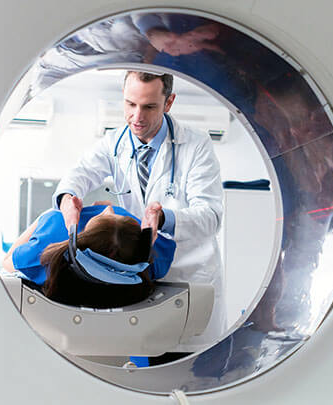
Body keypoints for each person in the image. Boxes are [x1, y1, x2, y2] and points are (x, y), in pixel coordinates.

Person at [53, 71, 225, 352]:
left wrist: (164, 218)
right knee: (140, 366)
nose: (137, 117)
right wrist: (67, 196)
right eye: (130, 104)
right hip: (139, 278)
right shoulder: (114, 143)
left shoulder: (196, 146)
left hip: (188, 276)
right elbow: (81, 172)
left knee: (185, 365)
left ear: (168, 102)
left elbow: (211, 216)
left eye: (149, 107)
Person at [2, 203, 176, 309]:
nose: (108, 208)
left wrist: (45, 216)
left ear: (90, 236)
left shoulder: (49, 240)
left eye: (104, 215)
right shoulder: (152, 259)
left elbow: (7, 261)